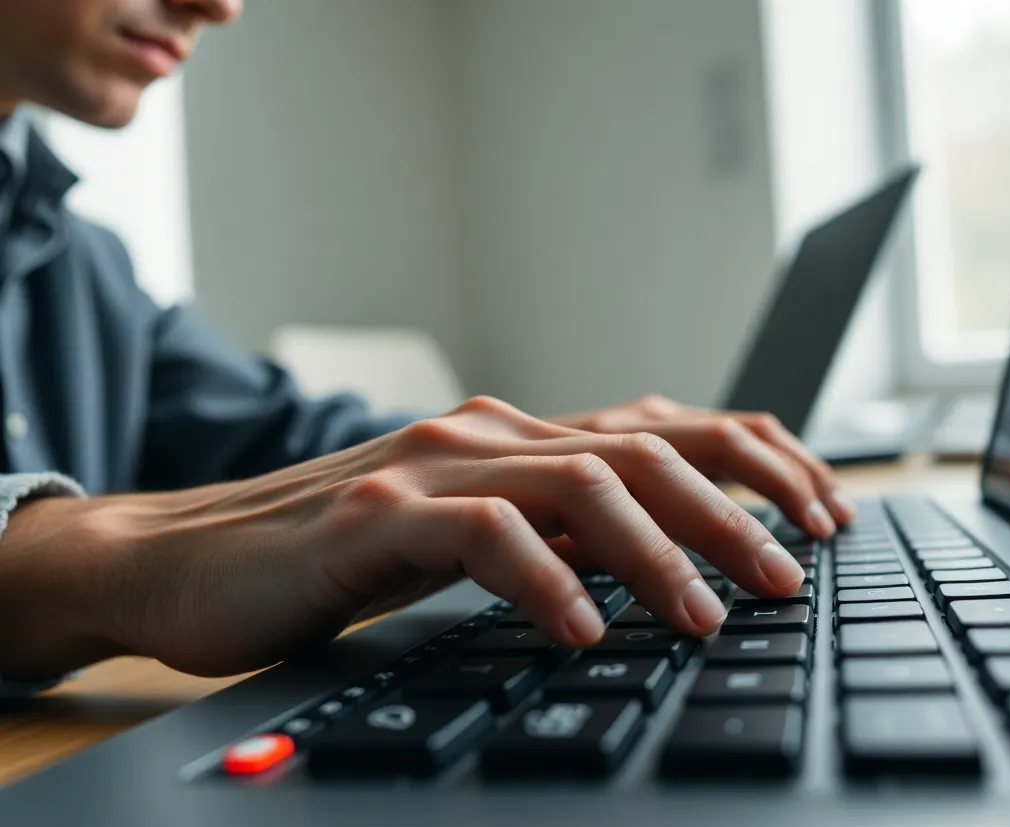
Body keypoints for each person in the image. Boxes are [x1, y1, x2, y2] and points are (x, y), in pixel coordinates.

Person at [0, 0, 854, 693]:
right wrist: (96, 560)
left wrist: (548, 455)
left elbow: (290, 441)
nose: (218, 6)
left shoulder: (83, 261)